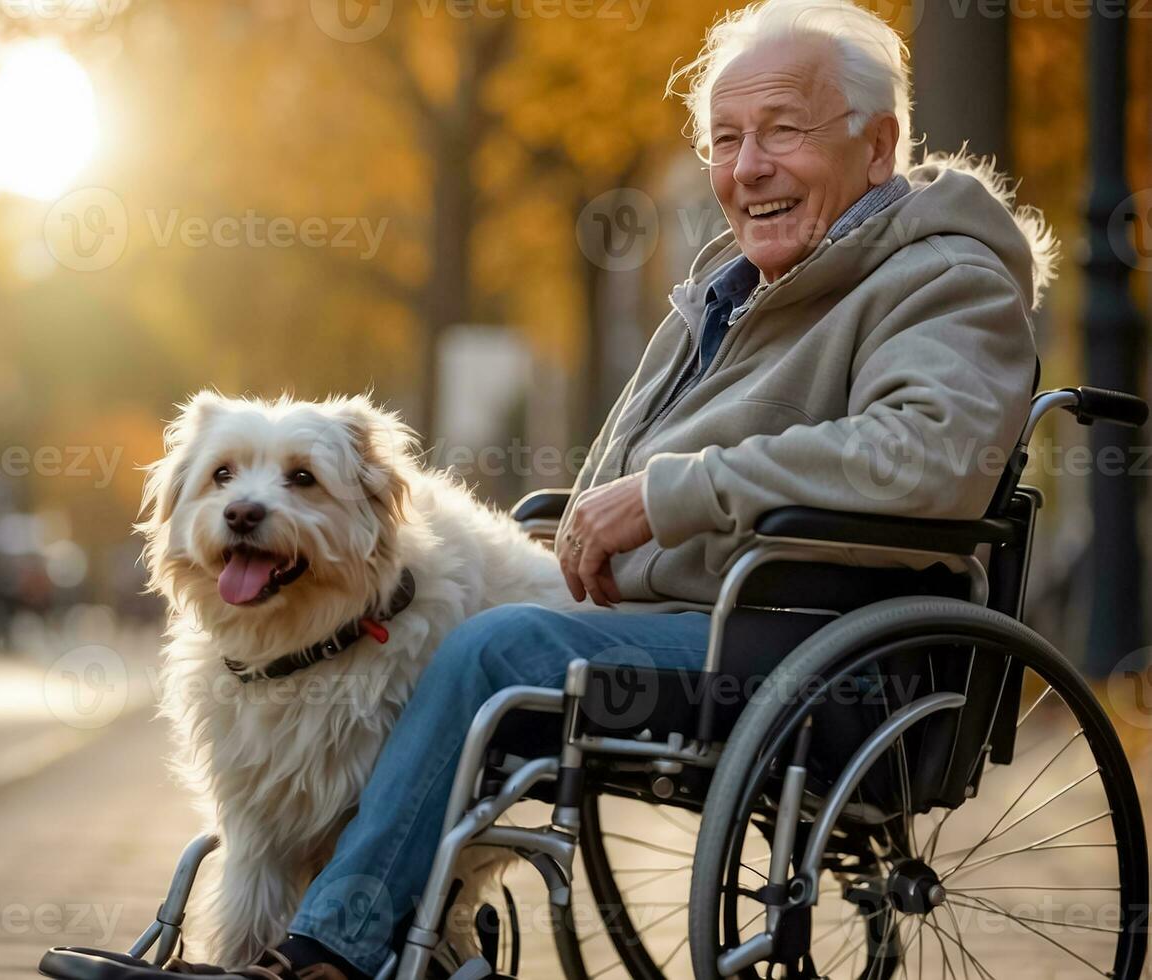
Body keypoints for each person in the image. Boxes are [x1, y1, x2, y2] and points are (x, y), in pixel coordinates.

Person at [140, 0, 1048, 975]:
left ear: (876, 147)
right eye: (727, 139)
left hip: (820, 647)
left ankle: (332, 948)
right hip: (686, 616)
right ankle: (400, 934)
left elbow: (927, 456)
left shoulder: (946, 277)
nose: (747, 167)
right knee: (423, 628)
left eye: (782, 130)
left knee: (491, 647)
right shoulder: (732, 287)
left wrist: (668, 494)